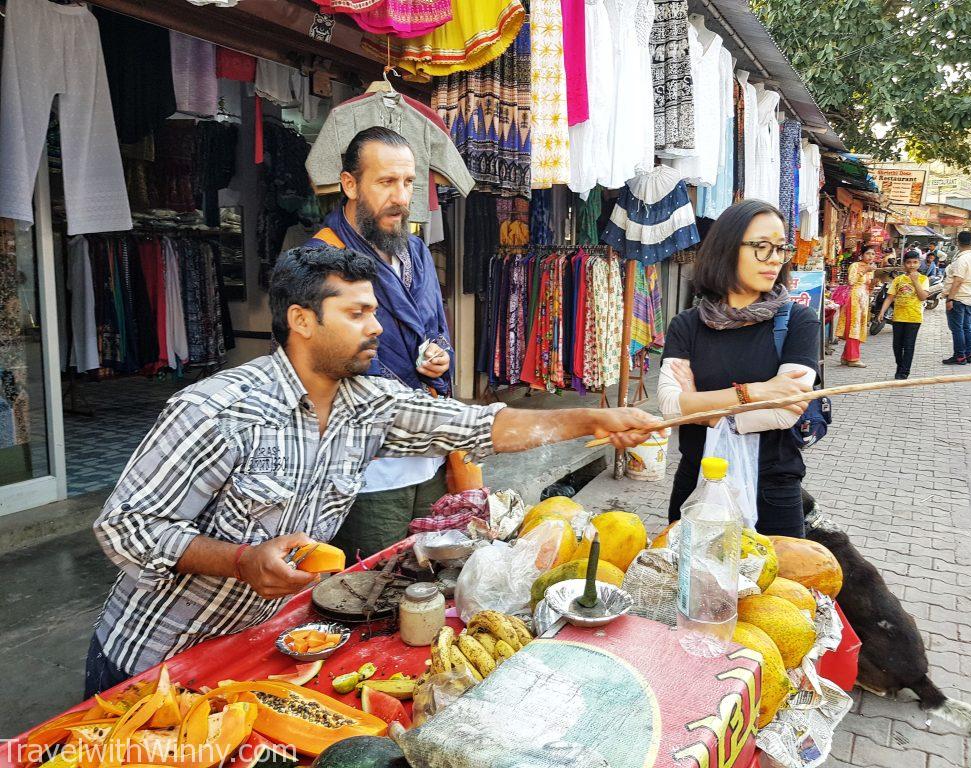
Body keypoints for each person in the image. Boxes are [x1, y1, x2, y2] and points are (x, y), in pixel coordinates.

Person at [86, 243, 660, 696]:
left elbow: (479, 425)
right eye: (357, 313)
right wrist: (237, 561)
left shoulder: (368, 401)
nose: (377, 327)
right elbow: (124, 527)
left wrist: (597, 419)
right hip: (154, 659)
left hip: (254, 649)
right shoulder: (218, 409)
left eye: (376, 311)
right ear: (300, 321)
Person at [305, 127, 454, 558]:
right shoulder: (319, 260)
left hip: (429, 448)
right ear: (349, 184)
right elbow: (314, 364)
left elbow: (434, 326)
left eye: (408, 183)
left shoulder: (416, 251)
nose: (401, 196)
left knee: (432, 573)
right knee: (374, 586)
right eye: (386, 182)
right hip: (367, 464)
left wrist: (438, 356)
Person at [658, 199, 819, 538]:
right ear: (727, 247)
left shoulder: (797, 322)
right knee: (692, 586)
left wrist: (701, 407)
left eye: (780, 248)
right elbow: (671, 408)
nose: (774, 258)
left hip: (772, 491)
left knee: (778, 590)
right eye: (762, 247)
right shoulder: (687, 325)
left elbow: (783, 413)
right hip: (696, 485)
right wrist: (753, 393)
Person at [877, 250, 929, 379]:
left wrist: (915, 281)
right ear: (904, 264)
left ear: (919, 263)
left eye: (915, 262)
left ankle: (904, 372)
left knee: (909, 345)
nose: (912, 265)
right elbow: (890, 297)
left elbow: (923, 297)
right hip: (898, 316)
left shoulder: (923, 279)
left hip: (914, 317)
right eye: (909, 263)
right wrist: (882, 312)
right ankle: (900, 366)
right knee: (897, 346)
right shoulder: (898, 280)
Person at [942, 231, 971, 365]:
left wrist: (950, 299)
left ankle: (959, 356)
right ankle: (968, 355)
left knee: (957, 329)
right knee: (966, 327)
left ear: (957, 242)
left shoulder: (962, 259)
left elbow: (958, 281)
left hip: (958, 299)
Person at [836, 247, 873, 368]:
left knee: (859, 326)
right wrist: (864, 271)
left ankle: (846, 357)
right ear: (861, 255)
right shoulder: (855, 265)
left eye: (873, 254)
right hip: (854, 298)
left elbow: (869, 285)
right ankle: (853, 358)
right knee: (854, 326)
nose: (871, 256)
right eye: (868, 253)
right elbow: (851, 281)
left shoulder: (871, 268)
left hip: (864, 299)